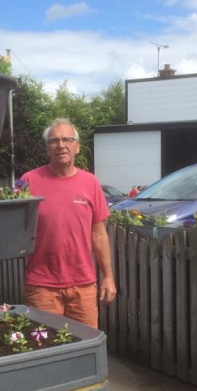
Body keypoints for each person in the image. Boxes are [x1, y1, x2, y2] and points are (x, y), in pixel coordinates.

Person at [20, 118, 116, 329]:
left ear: (77, 147)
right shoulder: (29, 181)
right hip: (42, 286)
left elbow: (99, 235)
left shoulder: (90, 182)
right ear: (47, 149)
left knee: (84, 348)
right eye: (54, 141)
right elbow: (15, 228)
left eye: (67, 139)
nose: (61, 145)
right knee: (45, 351)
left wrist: (108, 277)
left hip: (83, 285)